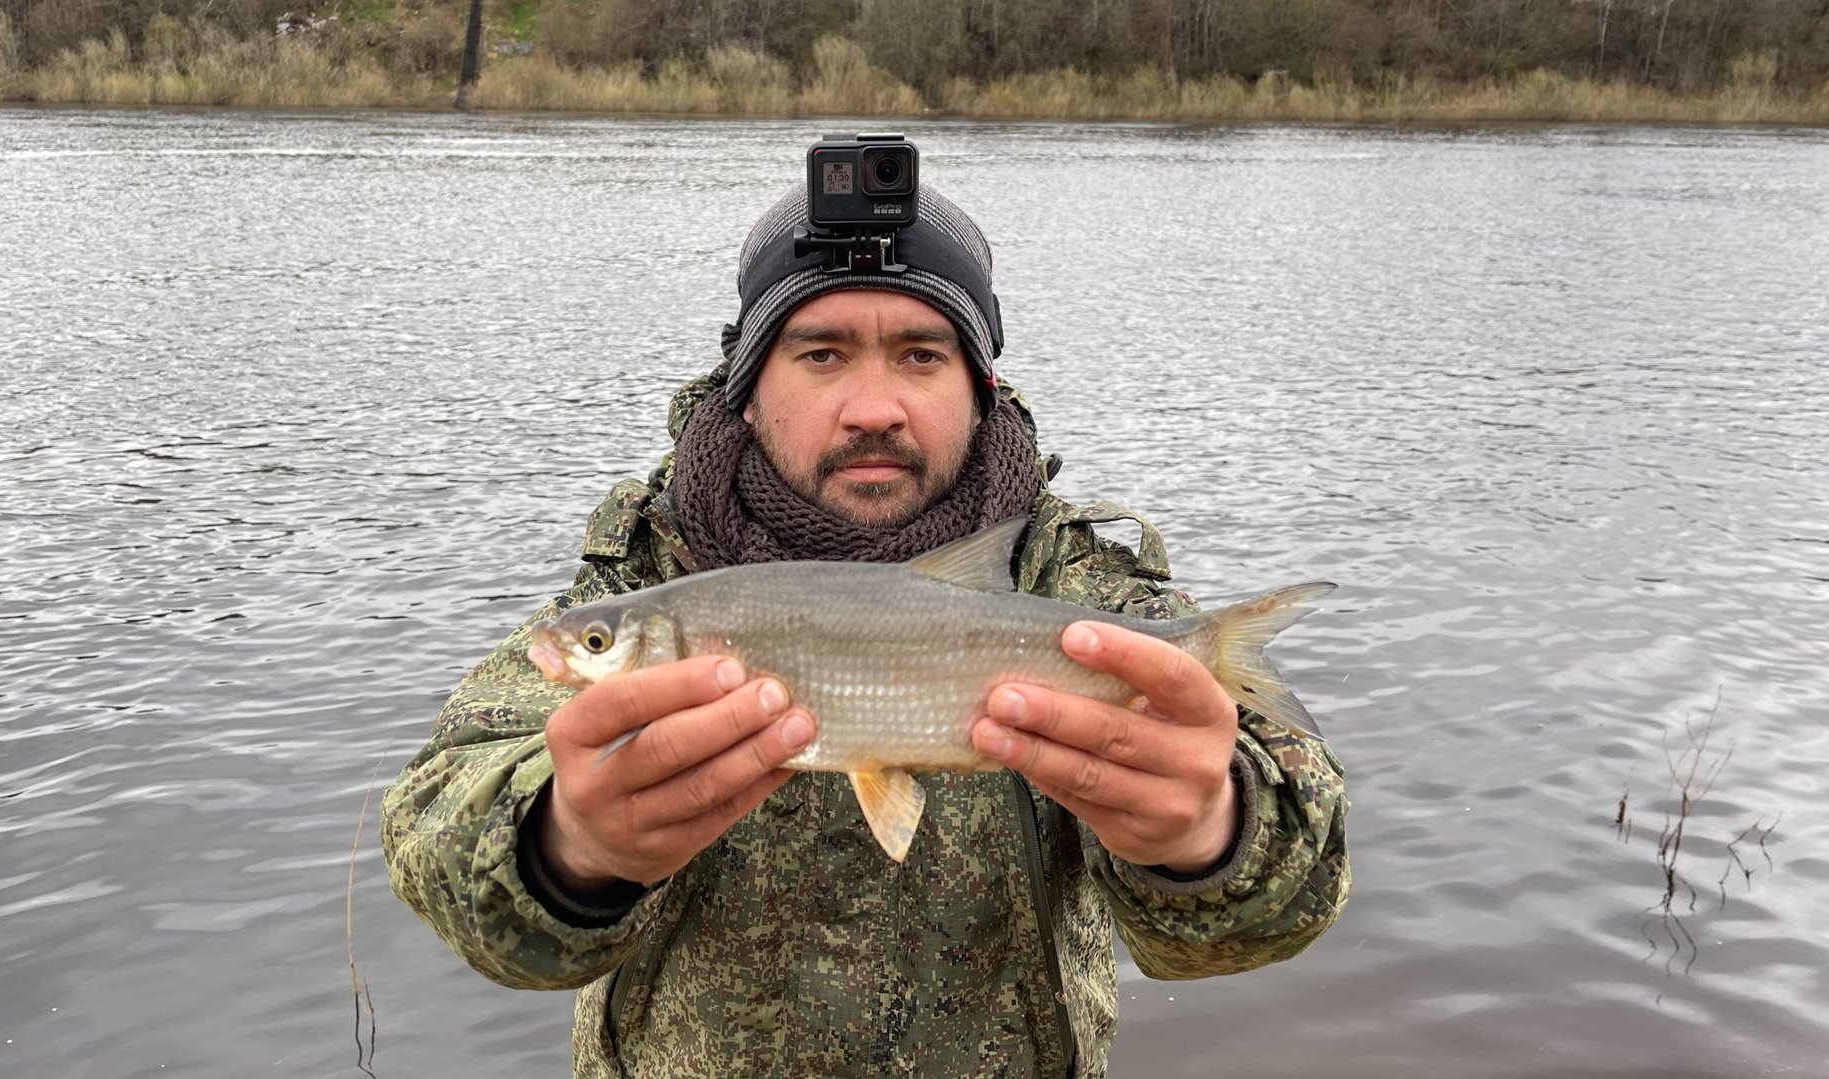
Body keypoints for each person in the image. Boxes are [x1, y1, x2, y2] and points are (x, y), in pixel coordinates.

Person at [381, 181, 1349, 1078]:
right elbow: (439, 822)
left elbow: (1272, 907)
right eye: (822, 353)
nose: (875, 407)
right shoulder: (650, 580)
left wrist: (1209, 832)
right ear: (747, 386)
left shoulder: (1082, 588)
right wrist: (566, 846)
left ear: (982, 385)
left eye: (923, 355)